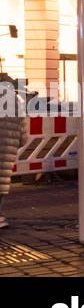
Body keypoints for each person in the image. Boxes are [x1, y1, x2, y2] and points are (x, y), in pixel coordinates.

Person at [0, 75, 29, 230]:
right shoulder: (16, 103)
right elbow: (23, 132)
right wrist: (16, 144)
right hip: (6, 150)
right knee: (2, 182)